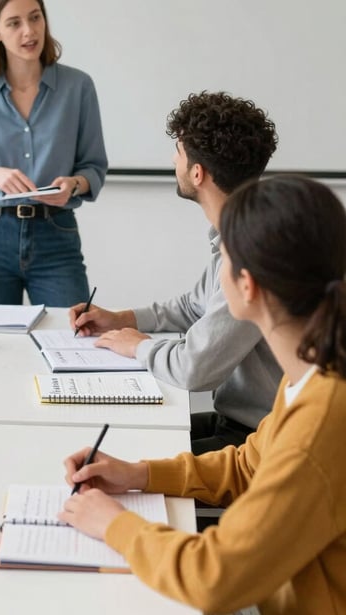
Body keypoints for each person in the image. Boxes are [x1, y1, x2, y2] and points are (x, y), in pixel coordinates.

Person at [61, 176, 346, 614]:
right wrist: (138, 474)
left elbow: (216, 578)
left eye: (223, 261)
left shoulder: (323, 418)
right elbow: (249, 463)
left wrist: (116, 525)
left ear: (247, 285)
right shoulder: (312, 369)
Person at [70, 91, 282, 453]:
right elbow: (195, 307)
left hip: (262, 440)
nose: (173, 159)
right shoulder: (238, 232)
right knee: (120, 442)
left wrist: (139, 347)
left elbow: (195, 370)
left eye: (179, 152)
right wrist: (122, 318)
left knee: (126, 462)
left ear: (197, 173)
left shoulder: (252, 253)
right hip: (240, 423)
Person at [0, 0, 107, 307]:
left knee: (72, 339)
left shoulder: (78, 87)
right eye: (14, 23)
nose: (29, 31)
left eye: (35, 18)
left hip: (56, 234)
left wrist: (74, 184)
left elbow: (93, 167)